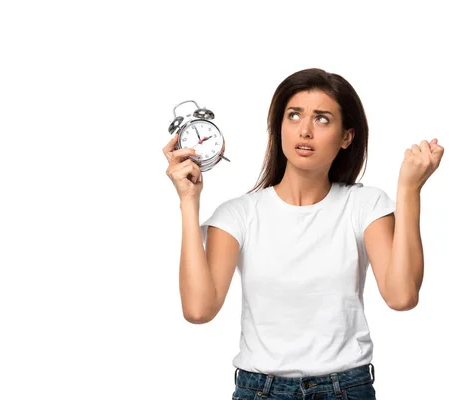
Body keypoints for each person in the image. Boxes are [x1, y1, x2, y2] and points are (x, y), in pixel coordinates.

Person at [162, 68, 444, 400]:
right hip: (260, 391)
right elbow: (198, 310)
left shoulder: (364, 205)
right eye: (294, 116)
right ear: (278, 127)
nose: (305, 130)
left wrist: (409, 189)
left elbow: (401, 297)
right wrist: (189, 201)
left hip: (346, 389)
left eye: (322, 119)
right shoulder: (238, 214)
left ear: (346, 137)